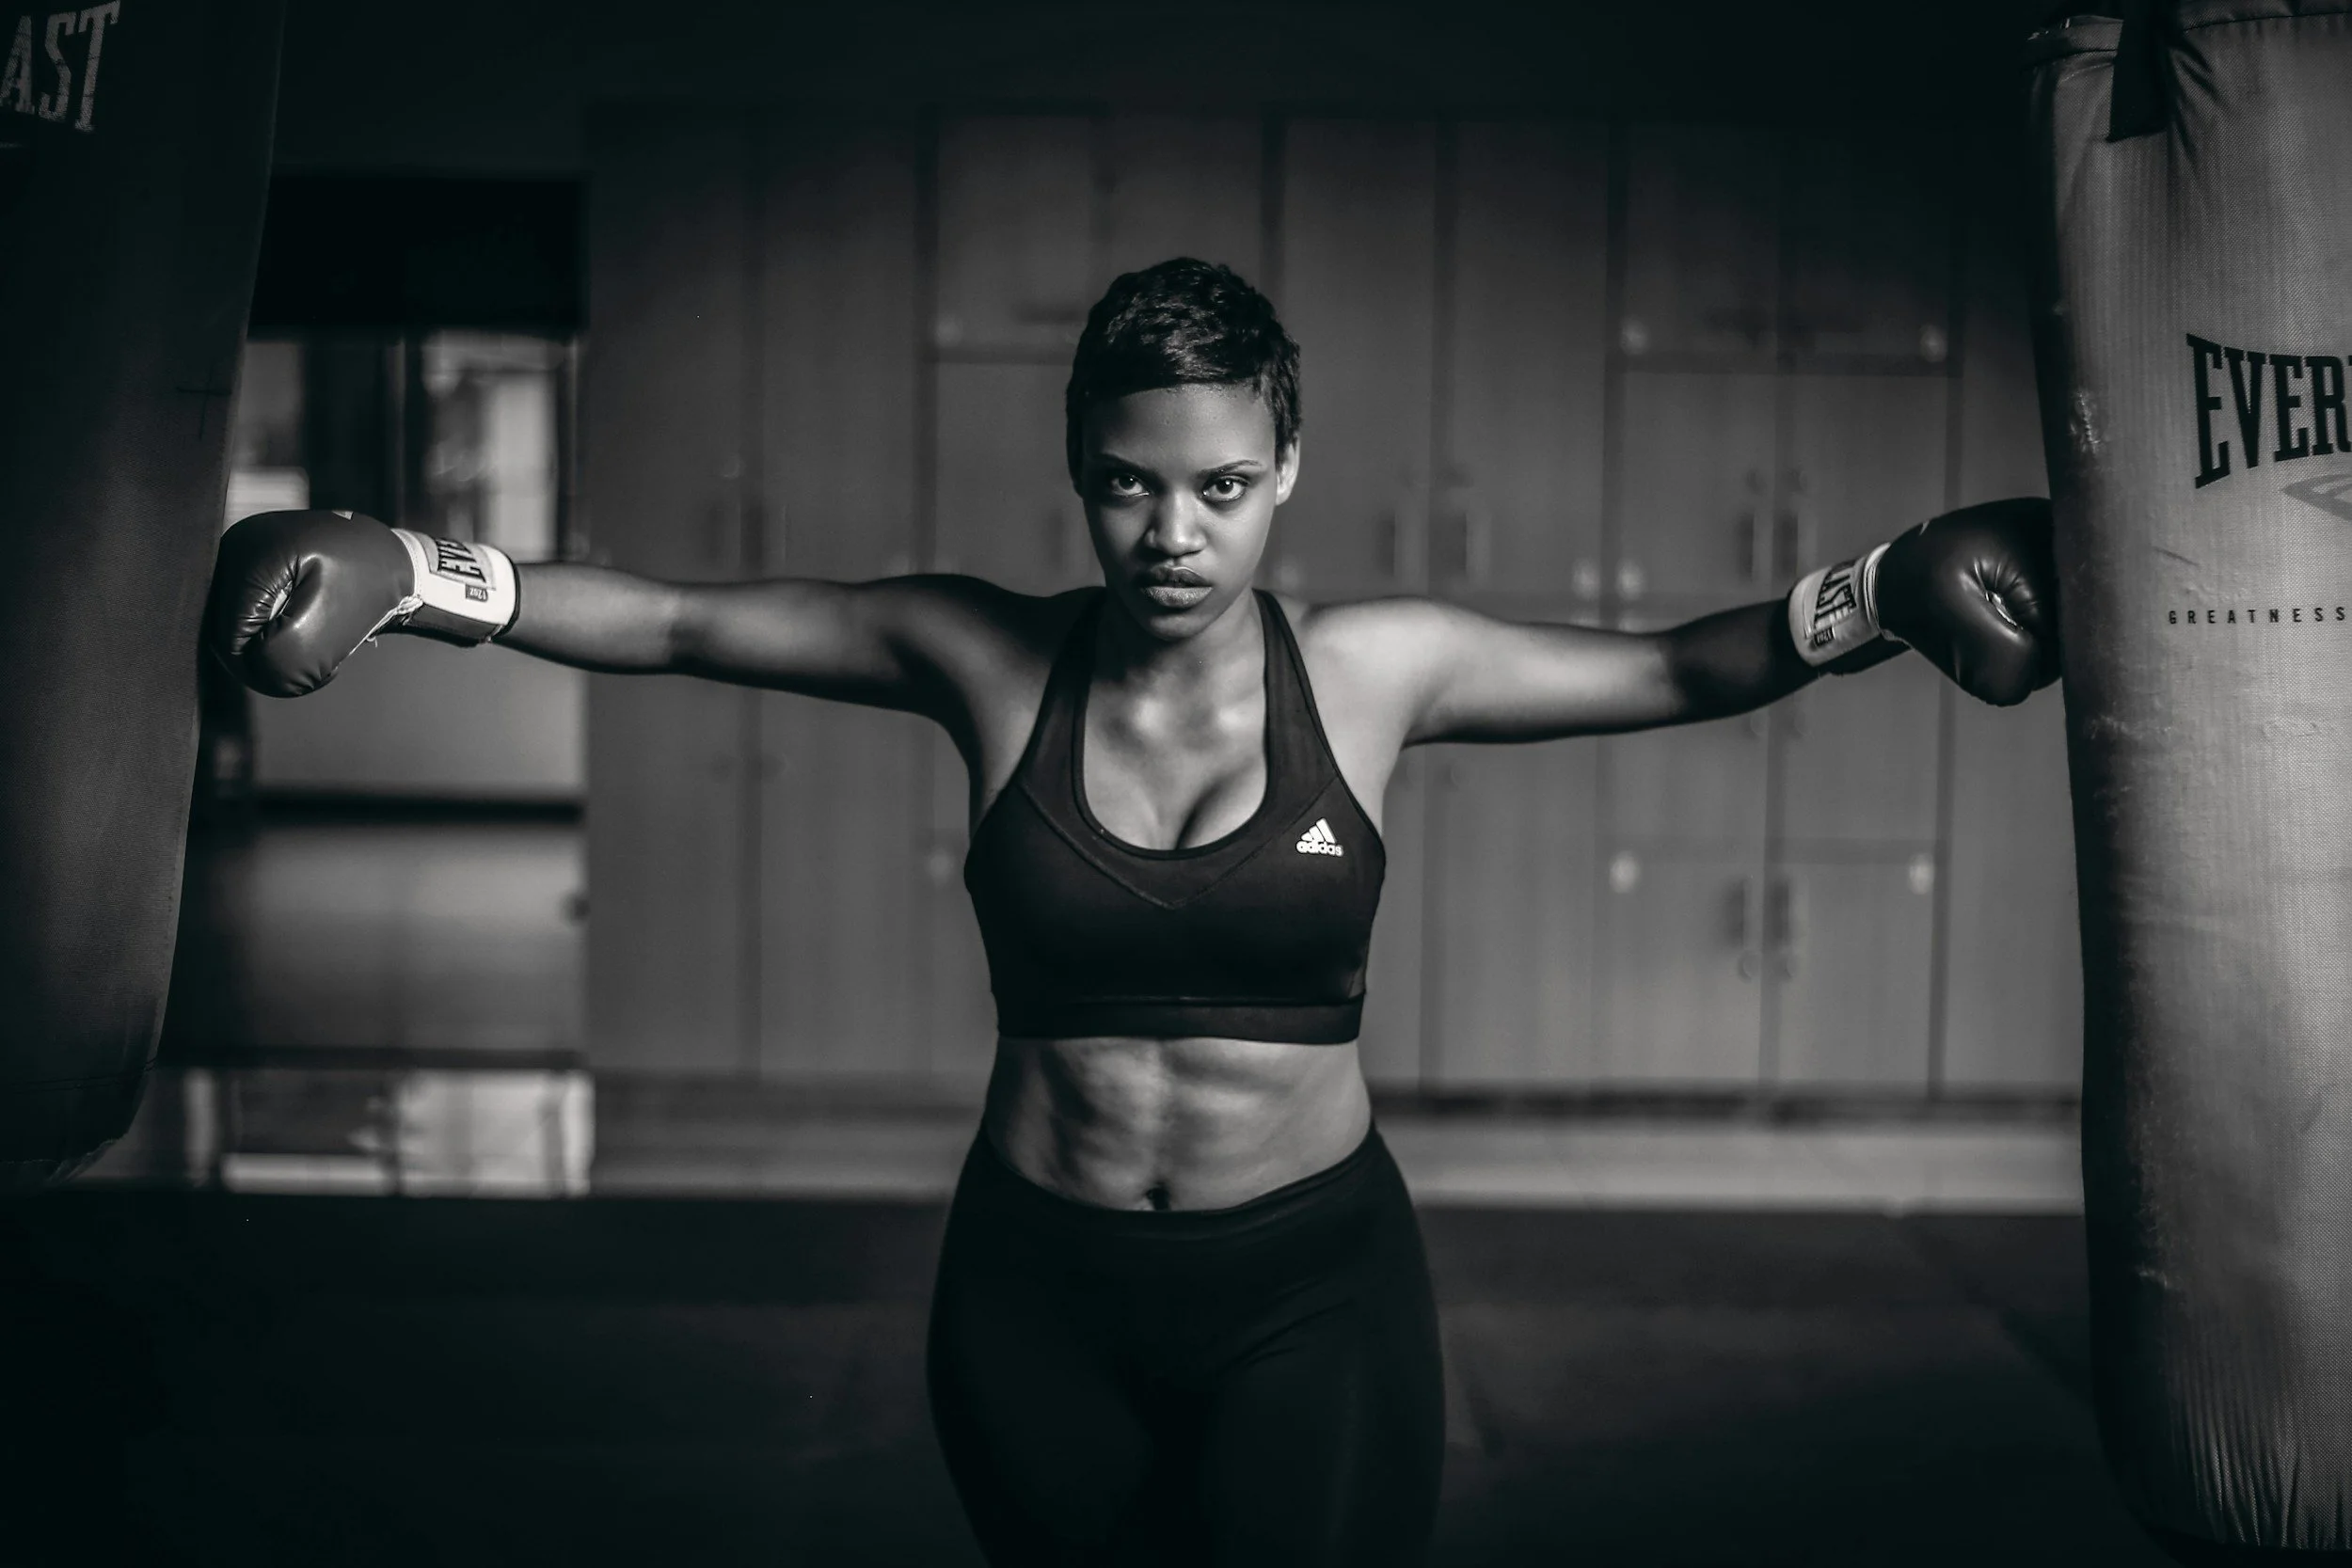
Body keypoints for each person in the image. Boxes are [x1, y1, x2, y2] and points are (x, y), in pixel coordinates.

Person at [205, 258, 2059, 1567]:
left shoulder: (1378, 670)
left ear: (1286, 472)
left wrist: (1881, 586)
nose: (1173, 534)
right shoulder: (982, 656)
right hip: (1032, 1293)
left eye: (1223, 487)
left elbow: (1666, 662)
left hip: (1305, 1293)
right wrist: (424, 568)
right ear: (1081, 473)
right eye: (1126, 485)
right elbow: (686, 619)